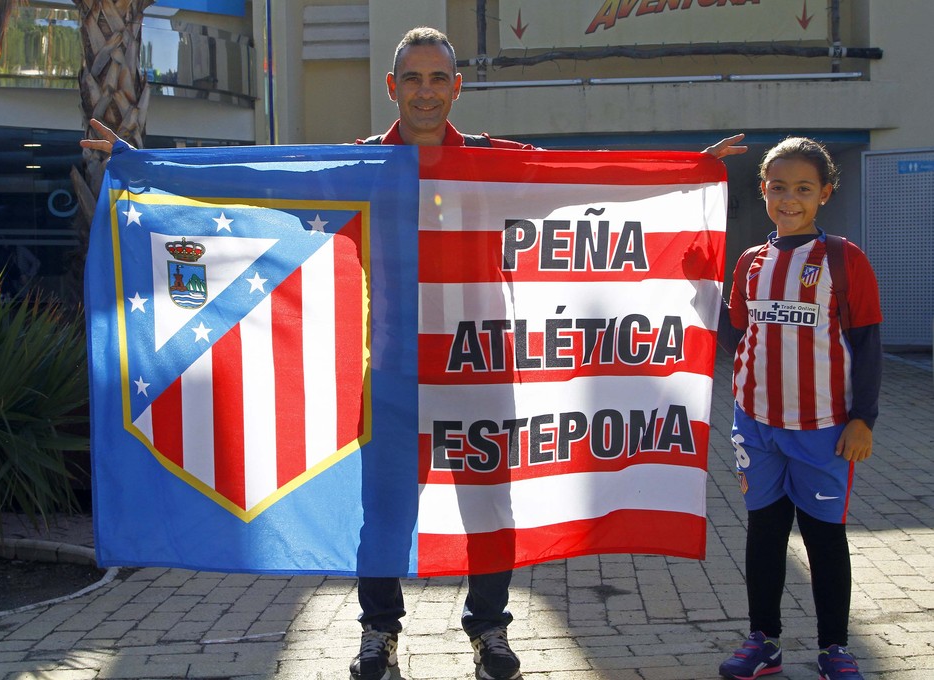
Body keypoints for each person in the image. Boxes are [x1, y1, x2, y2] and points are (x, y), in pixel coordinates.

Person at [82, 25, 747, 680]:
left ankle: (489, 630)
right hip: (390, 374)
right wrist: (144, 164)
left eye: (437, 79)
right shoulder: (361, 166)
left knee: (488, 509)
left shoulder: (497, 163)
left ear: (456, 87)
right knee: (384, 514)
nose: (425, 92)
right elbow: (256, 182)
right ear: (391, 85)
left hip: (482, 367)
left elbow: (582, 186)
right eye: (412, 79)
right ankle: (380, 633)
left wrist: (688, 172)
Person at [715, 137, 882, 680]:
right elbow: (735, 334)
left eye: (803, 188)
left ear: (825, 194)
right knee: (764, 534)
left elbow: (867, 342)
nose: (790, 198)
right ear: (763, 191)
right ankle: (763, 641)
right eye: (778, 187)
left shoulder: (843, 257)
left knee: (823, 537)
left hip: (824, 429)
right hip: (756, 423)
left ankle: (835, 648)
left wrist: (864, 418)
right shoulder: (749, 262)